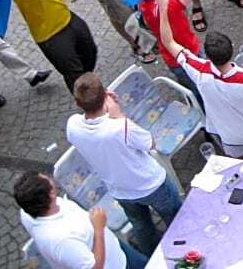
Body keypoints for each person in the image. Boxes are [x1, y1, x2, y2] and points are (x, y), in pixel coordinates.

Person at [66, 73, 182, 256]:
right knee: (176, 217)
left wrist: (103, 104)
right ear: (104, 96)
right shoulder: (120, 127)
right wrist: (119, 115)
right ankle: (185, 247)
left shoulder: (72, 125)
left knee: (141, 226)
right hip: (151, 185)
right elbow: (150, 143)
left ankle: (152, 256)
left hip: (120, 190)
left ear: (77, 103)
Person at [156, 0, 243, 157]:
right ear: (231, 48)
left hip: (228, 137)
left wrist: (163, 10)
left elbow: (168, 42)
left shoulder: (198, 70)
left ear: (207, 55)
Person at [14, 171, 145, 269]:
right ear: (51, 194)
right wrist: (98, 229)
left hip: (116, 250)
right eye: (48, 179)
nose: (51, 179)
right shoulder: (62, 242)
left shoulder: (28, 210)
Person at [13, 0, 98, 93]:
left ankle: (89, 84)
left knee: (90, 52)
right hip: (51, 36)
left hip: (68, 19)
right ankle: (87, 99)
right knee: (74, 75)